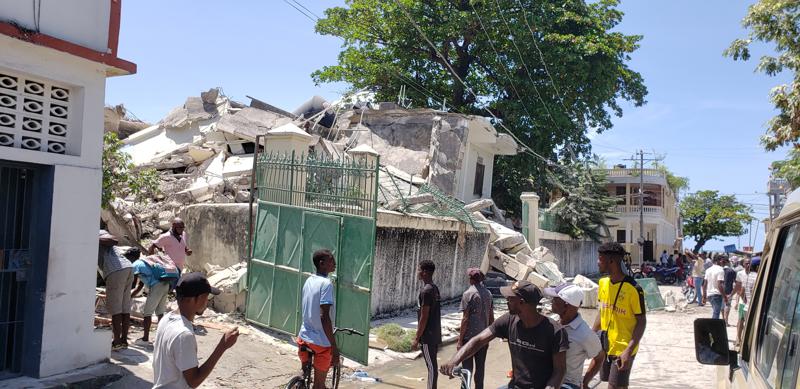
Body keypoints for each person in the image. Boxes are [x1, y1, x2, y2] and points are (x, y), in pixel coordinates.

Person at [441, 280, 568, 389]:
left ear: (522, 303)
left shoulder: (555, 331)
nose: (506, 301)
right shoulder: (508, 320)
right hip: (514, 385)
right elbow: (479, 340)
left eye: (510, 298)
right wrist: (455, 360)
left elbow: (559, 371)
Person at [152, 272, 238, 388]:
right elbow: (193, 381)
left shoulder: (166, 319)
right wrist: (222, 346)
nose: (207, 302)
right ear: (195, 299)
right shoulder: (184, 334)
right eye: (206, 297)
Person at [590, 242, 646, 389]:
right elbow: (601, 312)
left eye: (600, 259)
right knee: (608, 382)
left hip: (623, 348)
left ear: (611, 261)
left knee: (615, 386)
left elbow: (641, 321)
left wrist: (628, 350)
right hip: (604, 345)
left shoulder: (633, 289)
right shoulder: (602, 283)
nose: (597, 262)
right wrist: (590, 336)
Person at [545, 283, 603, 389]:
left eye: (555, 299)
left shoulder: (584, 334)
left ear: (566, 305)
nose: (551, 301)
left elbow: (599, 357)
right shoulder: (552, 322)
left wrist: (585, 382)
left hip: (567, 383)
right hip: (547, 378)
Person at [297, 249, 338, 389]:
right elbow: (324, 317)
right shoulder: (326, 284)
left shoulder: (309, 280)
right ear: (322, 264)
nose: (335, 263)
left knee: (304, 374)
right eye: (331, 260)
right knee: (319, 385)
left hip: (303, 337)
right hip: (320, 343)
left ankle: (300, 381)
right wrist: (334, 347)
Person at [130, 250, 179, 344]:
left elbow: (133, 284)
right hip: (165, 284)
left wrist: (128, 296)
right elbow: (140, 285)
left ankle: (145, 339)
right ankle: (160, 338)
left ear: (131, 258)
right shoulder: (145, 262)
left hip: (156, 286)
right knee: (160, 312)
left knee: (147, 313)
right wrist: (131, 296)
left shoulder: (136, 264)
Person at [457, 268, 494, 389]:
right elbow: (491, 318)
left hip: (469, 339)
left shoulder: (468, 294)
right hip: (483, 338)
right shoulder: (488, 294)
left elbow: (465, 319)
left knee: (466, 370)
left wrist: (460, 340)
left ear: (471, 279)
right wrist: (489, 337)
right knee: (480, 369)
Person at [98, 230, 134, 351]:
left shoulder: (99, 233)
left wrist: (94, 238)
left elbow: (114, 240)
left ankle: (117, 341)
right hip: (127, 268)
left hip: (115, 271)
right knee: (124, 307)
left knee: (116, 309)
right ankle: (124, 340)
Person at [413, 260, 441, 389]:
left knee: (431, 367)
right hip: (435, 334)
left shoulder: (426, 291)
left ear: (424, 272)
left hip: (428, 336)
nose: (418, 272)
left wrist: (416, 338)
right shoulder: (434, 288)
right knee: (433, 366)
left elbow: (424, 317)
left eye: (419, 270)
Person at [735, 257, 758, 345]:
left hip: (748, 304)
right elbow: (739, 288)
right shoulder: (740, 274)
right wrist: (741, 300)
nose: (748, 265)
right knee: (740, 321)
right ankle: (739, 339)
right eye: (746, 263)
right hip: (743, 303)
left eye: (749, 263)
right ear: (743, 264)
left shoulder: (753, 275)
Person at [703, 256, 726, 320]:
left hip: (709, 294)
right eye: (723, 261)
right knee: (716, 313)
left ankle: (713, 327)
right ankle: (712, 328)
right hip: (717, 295)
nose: (723, 262)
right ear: (718, 261)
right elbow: (720, 285)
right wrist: (725, 297)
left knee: (715, 312)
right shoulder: (720, 270)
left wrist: (704, 296)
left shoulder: (708, 270)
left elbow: (705, 284)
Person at [722, 257, 738, 326]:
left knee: (722, 306)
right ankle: (726, 321)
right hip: (729, 290)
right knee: (727, 306)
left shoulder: (720, 270)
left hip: (720, 290)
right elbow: (736, 282)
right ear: (728, 262)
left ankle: (723, 319)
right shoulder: (732, 271)